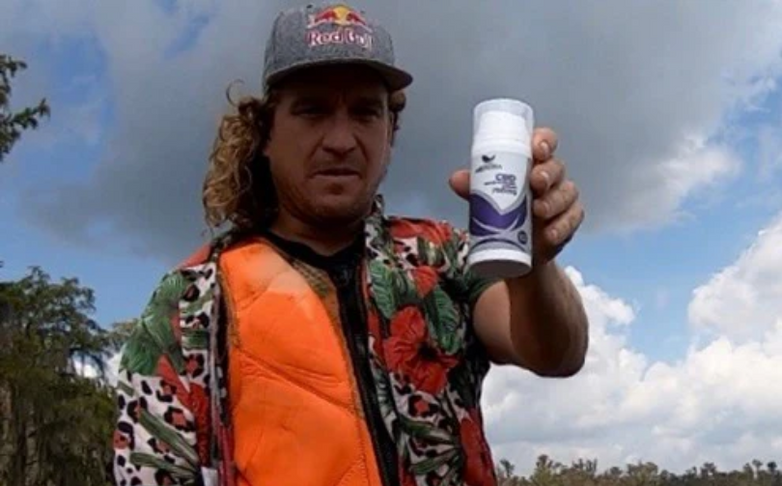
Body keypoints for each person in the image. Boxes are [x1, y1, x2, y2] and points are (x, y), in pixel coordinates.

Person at [110, 3, 589, 485]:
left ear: (390, 133)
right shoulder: (190, 303)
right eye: (313, 110)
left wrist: (534, 264)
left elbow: (557, 354)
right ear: (266, 133)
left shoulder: (441, 257)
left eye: (365, 112)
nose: (341, 139)